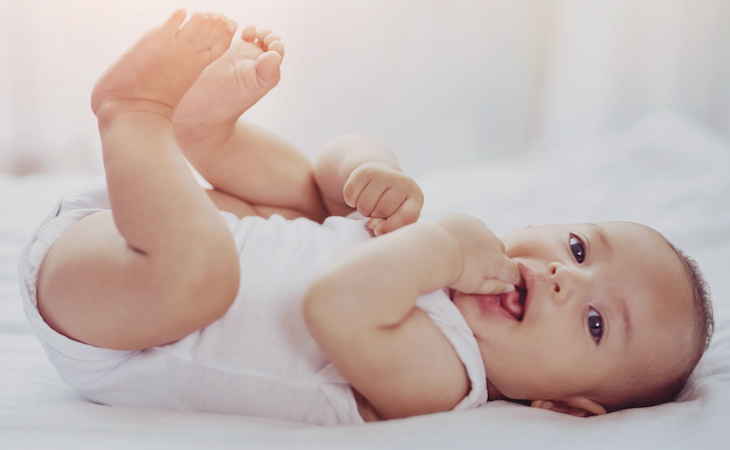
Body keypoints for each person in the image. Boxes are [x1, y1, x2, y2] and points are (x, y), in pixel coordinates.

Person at [19, 10, 713, 425]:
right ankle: (209, 136)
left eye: (595, 324)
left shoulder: (446, 379)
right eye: (579, 249)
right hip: (149, 219)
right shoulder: (445, 260)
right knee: (321, 203)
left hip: (111, 319)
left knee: (205, 275)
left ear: (566, 407)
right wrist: (372, 172)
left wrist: (441, 244)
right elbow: (330, 178)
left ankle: (136, 115)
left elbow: (336, 302)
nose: (564, 278)